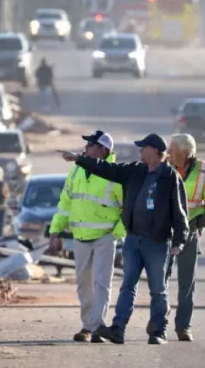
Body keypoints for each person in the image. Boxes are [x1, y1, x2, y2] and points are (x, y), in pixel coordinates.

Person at [62, 133, 188, 345]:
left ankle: (158, 331)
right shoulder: (134, 170)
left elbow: (179, 211)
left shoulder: (169, 177)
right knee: (127, 286)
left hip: (157, 243)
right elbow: (107, 169)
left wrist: (179, 241)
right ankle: (118, 329)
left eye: (143, 148)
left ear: (156, 151)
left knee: (158, 288)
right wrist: (79, 158)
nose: (139, 151)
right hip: (134, 240)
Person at [48, 130, 125, 343]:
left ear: (103, 150)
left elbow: (127, 208)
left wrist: (117, 233)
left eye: (90, 145)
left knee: (101, 282)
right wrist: (55, 230)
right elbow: (65, 203)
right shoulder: (77, 171)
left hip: (105, 236)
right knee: (83, 283)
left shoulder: (114, 173)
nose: (86, 148)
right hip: (80, 236)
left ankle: (97, 325)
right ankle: (87, 325)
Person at [163, 134, 205, 341]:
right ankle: (159, 321)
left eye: (172, 149)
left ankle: (183, 326)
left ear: (185, 152)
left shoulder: (204, 171)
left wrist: (198, 224)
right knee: (159, 280)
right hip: (163, 233)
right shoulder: (162, 168)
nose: (168, 153)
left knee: (186, 284)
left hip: (189, 234)